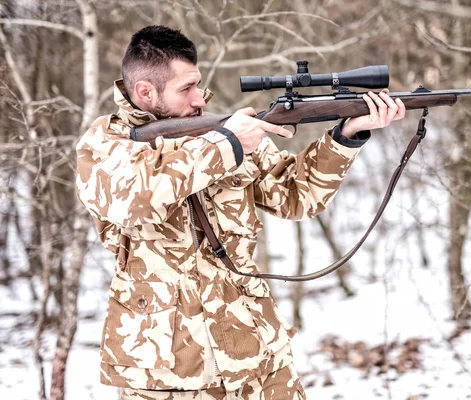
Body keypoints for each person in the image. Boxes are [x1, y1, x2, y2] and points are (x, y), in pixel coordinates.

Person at [75, 25, 405, 400]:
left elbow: (299, 195)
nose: (200, 97)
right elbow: (135, 198)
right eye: (186, 89)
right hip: (167, 375)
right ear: (145, 92)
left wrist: (346, 135)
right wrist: (228, 145)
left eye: (197, 83)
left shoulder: (223, 132)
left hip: (259, 358)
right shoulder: (105, 144)